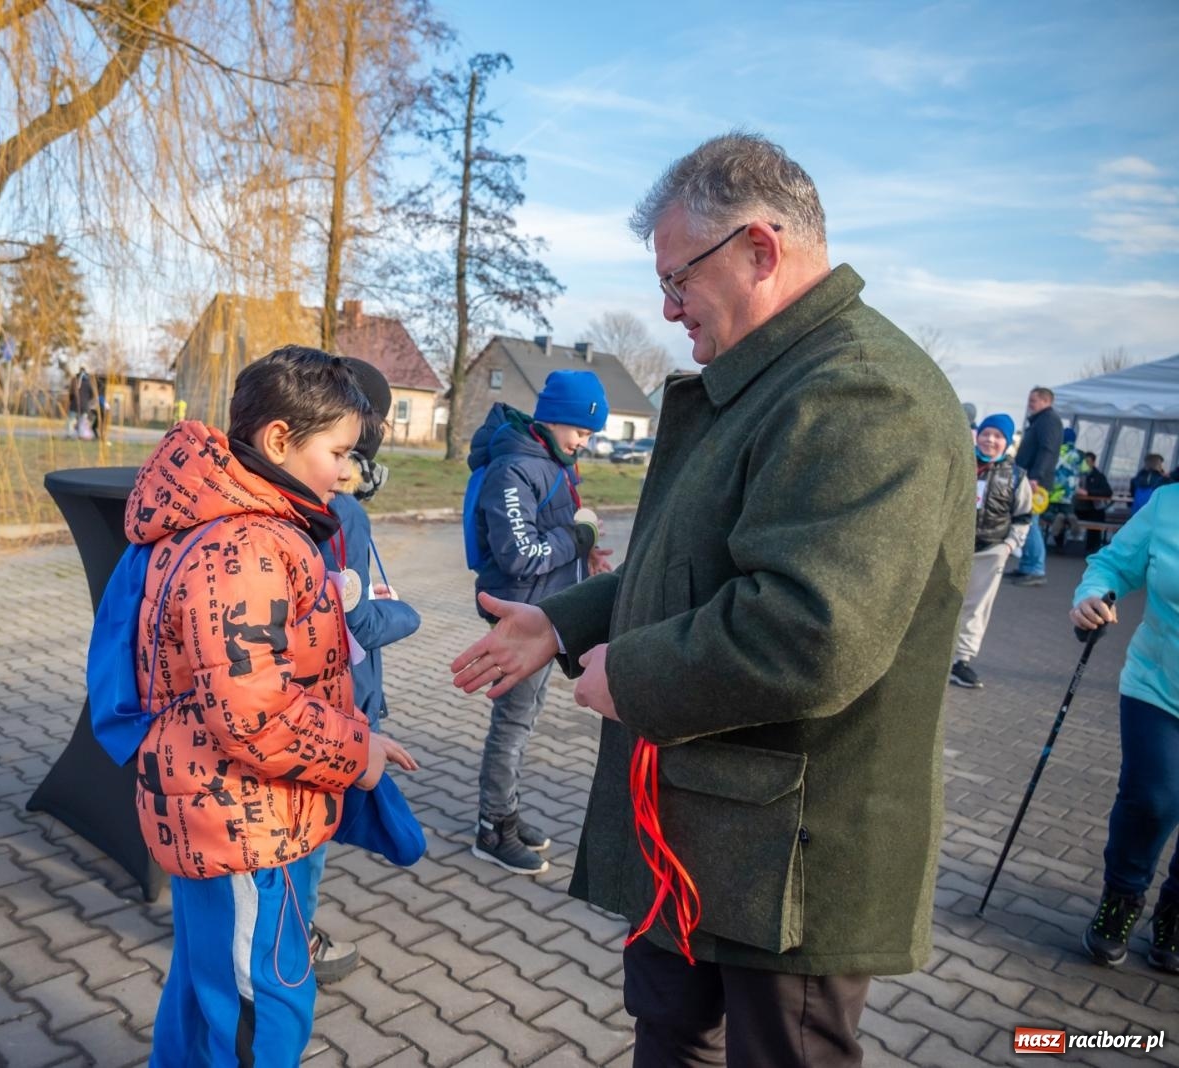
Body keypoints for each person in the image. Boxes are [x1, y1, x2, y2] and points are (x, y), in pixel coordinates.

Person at [450, 132, 972, 1065]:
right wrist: (561, 622)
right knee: (670, 1033)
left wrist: (634, 674)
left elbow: (811, 631)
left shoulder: (860, 393)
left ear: (761, 251)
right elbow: (683, 569)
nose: (664, 306)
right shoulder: (764, 383)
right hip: (707, 831)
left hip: (788, 857)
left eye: (679, 276)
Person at [123, 346, 417, 1066]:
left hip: (217, 814)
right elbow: (256, 714)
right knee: (264, 1002)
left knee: (204, 989)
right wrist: (360, 752)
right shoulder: (248, 546)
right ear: (280, 440)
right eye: (339, 452)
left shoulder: (234, 518)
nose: (347, 472)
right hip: (247, 826)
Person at [466, 369, 612, 876]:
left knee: (522, 722)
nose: (584, 443)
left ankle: (507, 808)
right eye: (582, 432)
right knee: (511, 724)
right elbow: (520, 555)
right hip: (519, 617)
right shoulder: (515, 469)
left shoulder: (554, 462)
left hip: (548, 615)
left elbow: (556, 535)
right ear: (555, 418)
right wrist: (580, 538)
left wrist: (586, 559)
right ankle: (492, 826)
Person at [307, 358, 421, 982]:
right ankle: (292, 941)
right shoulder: (342, 514)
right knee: (307, 847)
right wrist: (408, 614)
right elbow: (364, 623)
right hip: (335, 712)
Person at [1071, 483, 1178, 974]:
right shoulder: (1168, 505)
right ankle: (1122, 898)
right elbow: (1112, 566)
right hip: (1157, 686)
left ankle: (1174, 914)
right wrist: (1093, 595)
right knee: (1152, 800)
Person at [950, 414, 1032, 689]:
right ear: (978, 435)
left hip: (991, 549)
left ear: (1006, 442)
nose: (990, 440)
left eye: (998, 436)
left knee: (976, 607)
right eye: (987, 434)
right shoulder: (961, 464)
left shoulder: (1017, 475)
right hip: (952, 546)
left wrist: (1009, 546)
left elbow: (1023, 516)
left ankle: (961, 660)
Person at [1010, 386, 1063, 587]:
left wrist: (1035, 477)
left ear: (1045, 401)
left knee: (1029, 521)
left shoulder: (1048, 421)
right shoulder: (1043, 420)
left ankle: (1035, 567)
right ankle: (1027, 565)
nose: (1030, 404)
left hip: (1033, 481)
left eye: (1033, 401)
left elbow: (1047, 450)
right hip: (1030, 477)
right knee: (1027, 520)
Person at [1070, 451, 1114, 554]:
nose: (1085, 464)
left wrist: (1088, 492)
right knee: (1063, 515)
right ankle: (1061, 545)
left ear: (1093, 462)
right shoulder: (1075, 474)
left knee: (1097, 517)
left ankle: (1092, 548)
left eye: (1088, 461)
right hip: (1077, 507)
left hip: (1092, 508)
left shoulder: (1099, 476)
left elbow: (1108, 492)